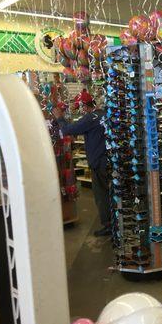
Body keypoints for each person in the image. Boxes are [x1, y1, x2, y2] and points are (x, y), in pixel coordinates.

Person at [52, 89, 111, 236]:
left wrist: (60, 117)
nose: (81, 111)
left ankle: (108, 226)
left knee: (101, 196)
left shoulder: (89, 118)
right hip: (109, 160)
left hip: (99, 163)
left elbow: (66, 130)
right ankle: (115, 224)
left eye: (80, 108)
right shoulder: (103, 115)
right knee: (111, 194)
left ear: (85, 106)